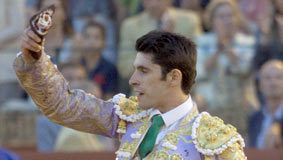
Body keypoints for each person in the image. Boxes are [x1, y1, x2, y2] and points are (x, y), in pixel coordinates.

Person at [15, 27, 246, 159]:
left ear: (174, 77)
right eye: (135, 69)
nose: (132, 80)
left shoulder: (218, 143)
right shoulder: (128, 116)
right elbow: (63, 106)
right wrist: (34, 59)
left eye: (144, 71)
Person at [195, 0, 256, 139]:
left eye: (230, 15)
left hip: (241, 105)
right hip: (209, 105)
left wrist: (229, 50)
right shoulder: (201, 42)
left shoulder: (247, 42)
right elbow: (198, 72)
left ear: (237, 18)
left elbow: (246, 70)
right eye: (221, 17)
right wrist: (218, 49)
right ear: (212, 20)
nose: (227, 20)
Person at [118, 0, 202, 94]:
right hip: (144, 95)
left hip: (179, 93)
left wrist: (170, 41)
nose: (154, 2)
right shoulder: (130, 26)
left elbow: (196, 62)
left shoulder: (189, 20)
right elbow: (124, 68)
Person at [248, 60, 283, 149]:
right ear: (260, 86)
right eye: (267, 78)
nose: (273, 83)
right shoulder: (254, 118)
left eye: (279, 77)